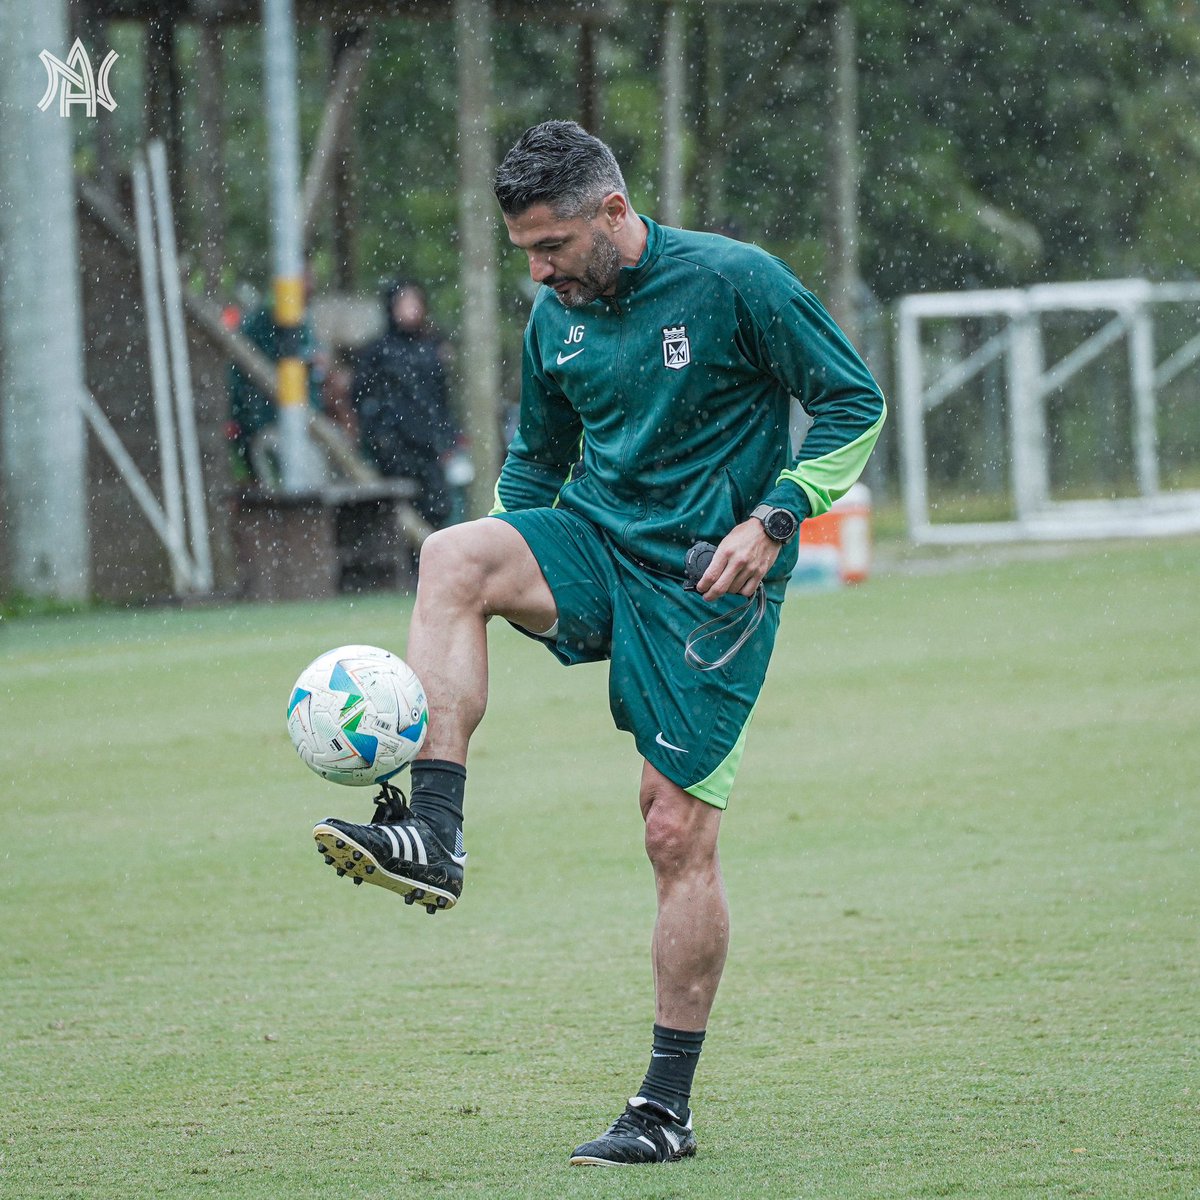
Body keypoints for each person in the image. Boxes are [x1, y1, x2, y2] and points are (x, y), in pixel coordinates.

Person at [312, 121, 886, 1165]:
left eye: (551, 247)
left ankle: (664, 1110)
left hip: (707, 584)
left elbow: (853, 403)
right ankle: (433, 835)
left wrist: (777, 517)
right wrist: (512, 553)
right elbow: (536, 464)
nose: (537, 270)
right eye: (524, 250)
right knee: (453, 557)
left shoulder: (736, 282)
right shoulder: (556, 318)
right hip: (596, 543)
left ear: (614, 214)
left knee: (673, 832)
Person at [352, 280, 461, 528]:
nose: (411, 309)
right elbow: (361, 399)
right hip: (393, 450)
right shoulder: (378, 352)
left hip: (428, 449)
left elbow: (441, 399)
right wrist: (380, 436)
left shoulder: (432, 349)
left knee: (437, 509)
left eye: (415, 302)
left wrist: (447, 436)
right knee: (394, 515)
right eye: (404, 302)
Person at [227, 272, 326, 485]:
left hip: (299, 425)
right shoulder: (265, 322)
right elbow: (244, 382)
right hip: (271, 428)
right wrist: (258, 424)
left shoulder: (301, 319)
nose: (311, 284)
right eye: (305, 277)